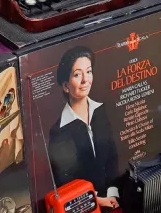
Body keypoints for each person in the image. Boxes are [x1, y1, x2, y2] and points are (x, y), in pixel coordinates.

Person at [48, 46, 120, 210]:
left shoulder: (101, 112)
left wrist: (112, 194)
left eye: (88, 72)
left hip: (112, 199)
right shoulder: (59, 131)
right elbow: (65, 182)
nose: (85, 80)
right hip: (83, 206)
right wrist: (98, 200)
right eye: (77, 74)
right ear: (66, 86)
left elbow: (112, 157)